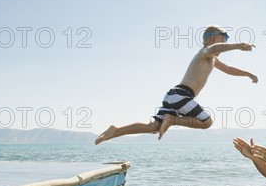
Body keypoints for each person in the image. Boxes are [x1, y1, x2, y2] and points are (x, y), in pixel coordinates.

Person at [96, 26, 257, 144]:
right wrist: (237, 46)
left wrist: (248, 74)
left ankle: (116, 131)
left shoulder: (213, 59)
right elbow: (215, 48)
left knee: (154, 127)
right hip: (181, 95)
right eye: (225, 40)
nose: (225, 45)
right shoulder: (205, 51)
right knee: (206, 122)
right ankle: (172, 120)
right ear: (211, 39)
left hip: (173, 95)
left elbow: (229, 69)